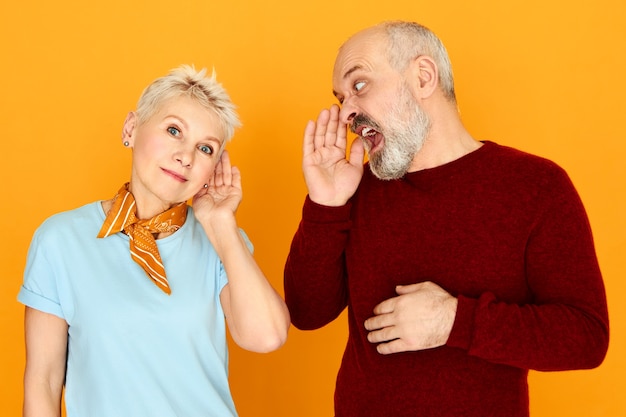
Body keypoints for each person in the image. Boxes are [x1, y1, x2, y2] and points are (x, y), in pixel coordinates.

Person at [284, 21, 609, 417]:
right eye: (340, 98)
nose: (347, 112)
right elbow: (306, 312)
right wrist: (326, 205)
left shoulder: (538, 186)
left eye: (359, 86)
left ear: (423, 77)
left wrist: (453, 320)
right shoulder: (355, 188)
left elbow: (586, 336)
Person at [18, 64, 290, 417]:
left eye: (206, 149)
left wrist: (220, 224)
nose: (187, 156)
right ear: (131, 128)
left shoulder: (221, 241)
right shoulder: (60, 240)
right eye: (174, 130)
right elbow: (44, 382)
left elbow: (266, 336)